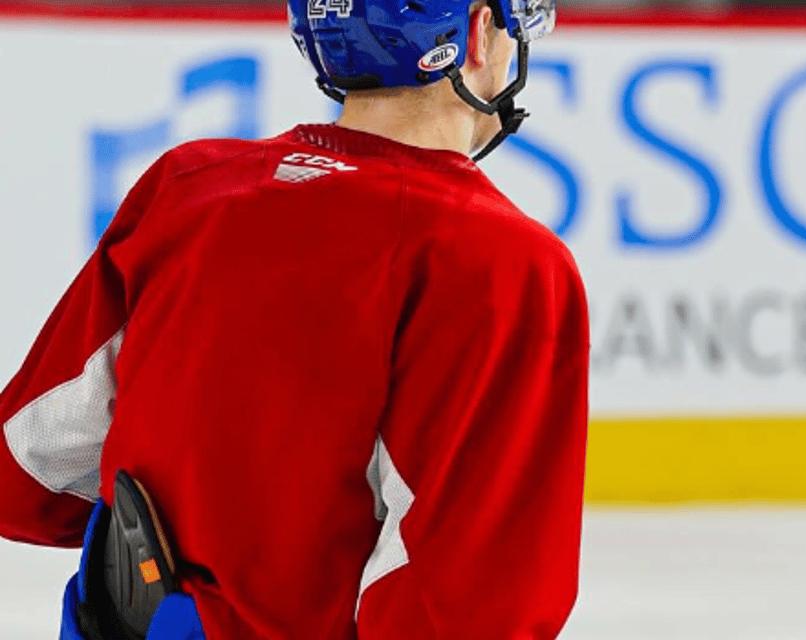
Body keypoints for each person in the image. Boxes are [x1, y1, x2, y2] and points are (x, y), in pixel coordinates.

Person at [0, 0, 588, 637]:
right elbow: (472, 601)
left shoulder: (191, 186)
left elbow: (31, 470)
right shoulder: (502, 262)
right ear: (476, 33)